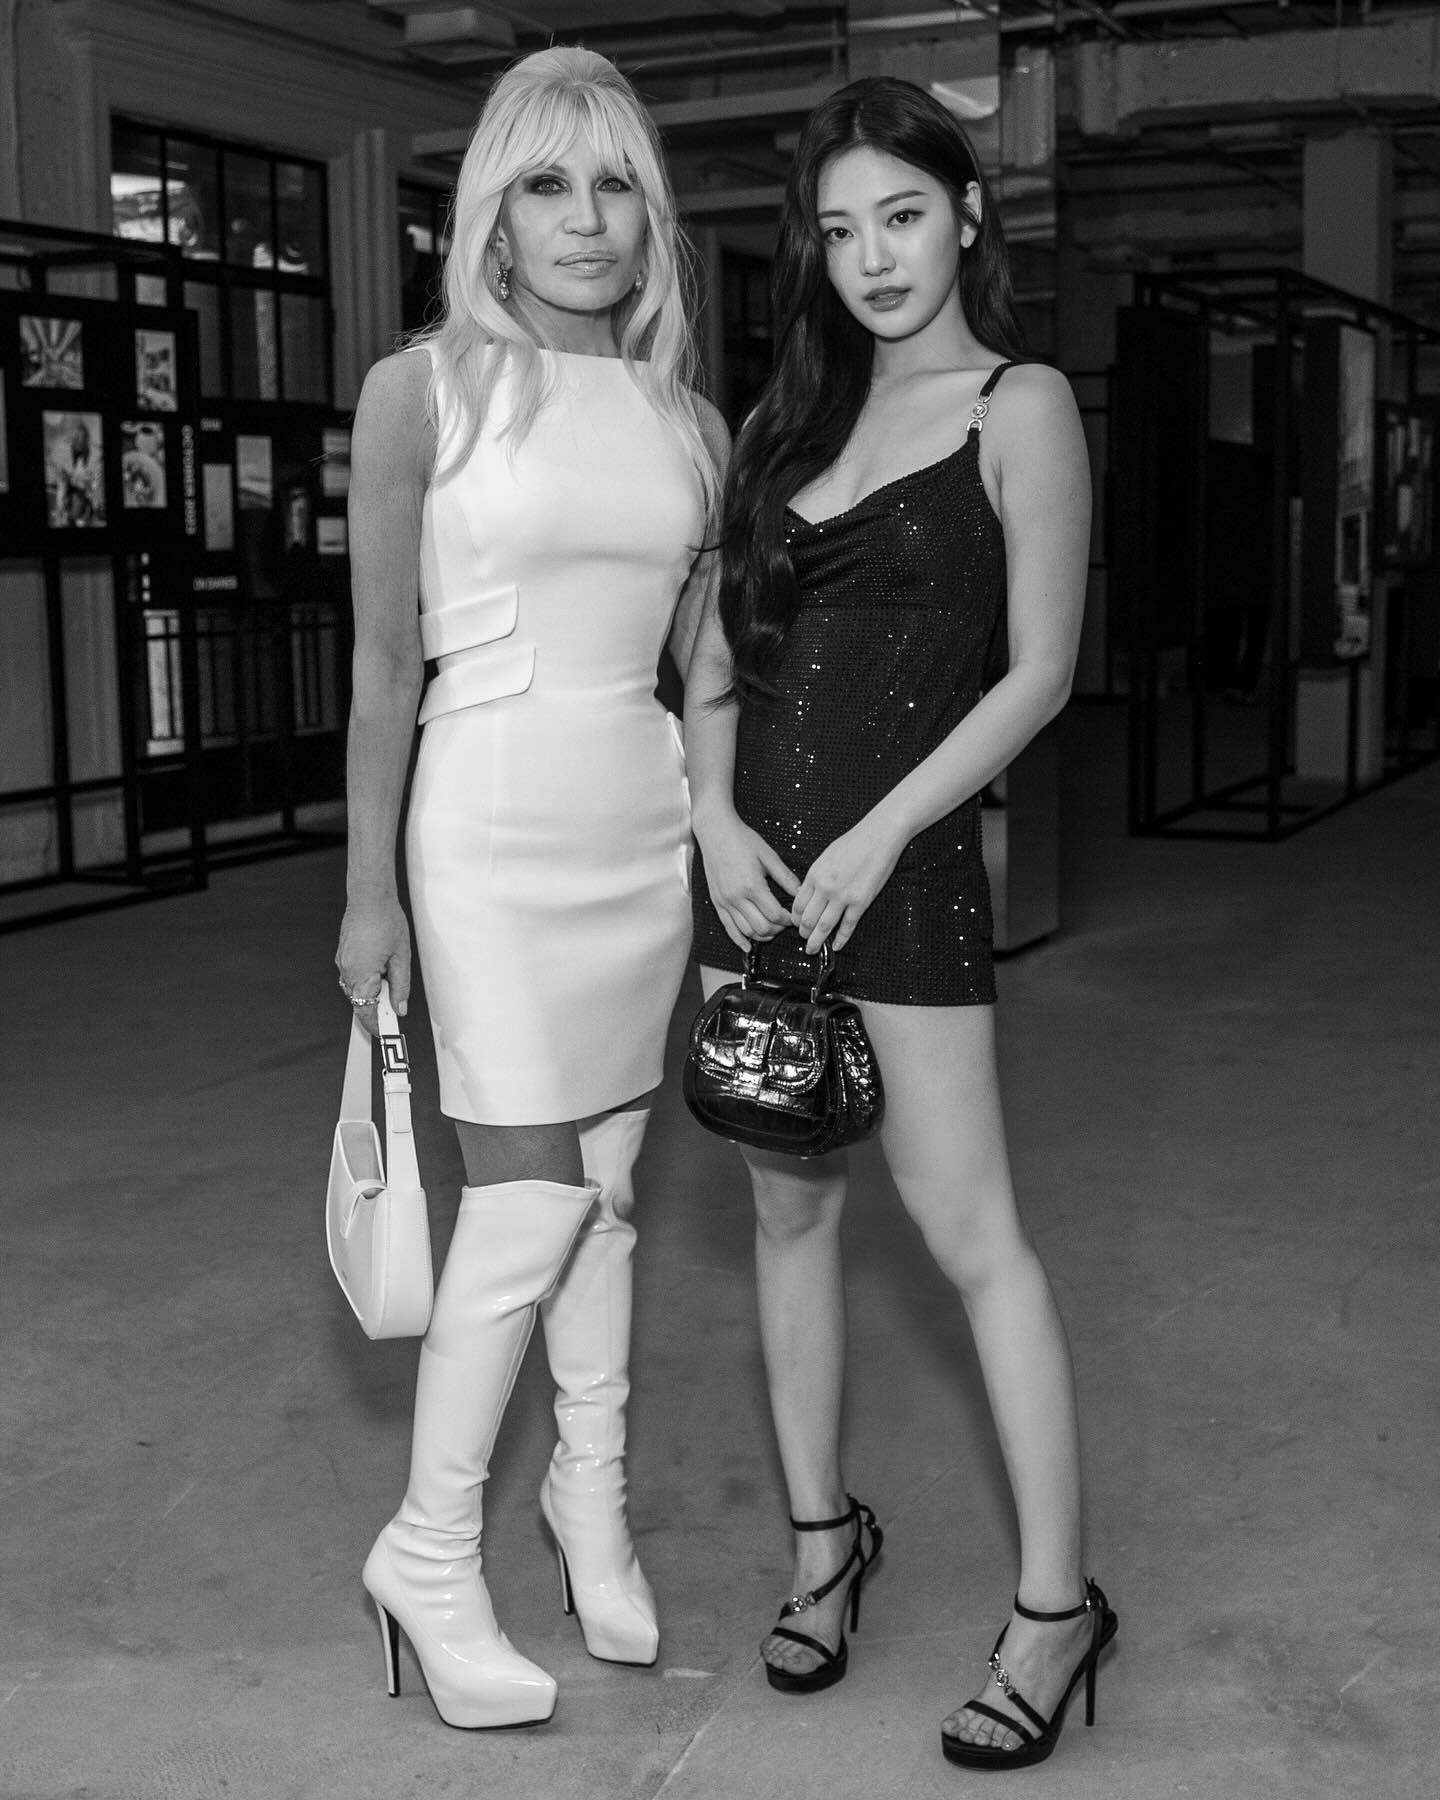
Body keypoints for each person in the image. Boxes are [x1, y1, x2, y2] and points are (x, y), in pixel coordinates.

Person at [686, 77, 1116, 1771]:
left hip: (906, 874)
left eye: (904, 216)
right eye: (842, 227)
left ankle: (1056, 1610)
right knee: (786, 1220)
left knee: (971, 1237)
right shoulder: (783, 427)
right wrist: (714, 819)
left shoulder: (1021, 405)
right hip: (755, 892)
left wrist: (881, 831)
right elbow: (712, 663)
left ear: (967, 215)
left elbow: (1041, 672)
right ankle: (822, 1545)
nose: (873, 256)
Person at [334, 45, 724, 1730]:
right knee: (527, 1199)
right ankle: (428, 1552)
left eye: (616, 183)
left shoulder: (691, 424)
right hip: (486, 824)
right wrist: (368, 897)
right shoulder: (419, 391)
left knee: (610, 1191)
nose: (585, 218)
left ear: (651, 216)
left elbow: (706, 674)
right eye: (548, 183)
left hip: (639, 829)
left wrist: (728, 840)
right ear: (492, 211)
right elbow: (379, 670)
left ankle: (588, 1497)